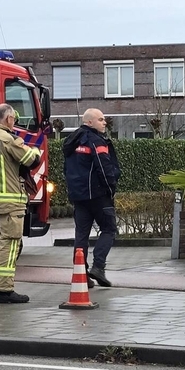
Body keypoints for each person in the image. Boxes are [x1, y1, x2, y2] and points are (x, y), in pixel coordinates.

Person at [0, 103, 41, 304]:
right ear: (9, 119)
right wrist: (36, 150)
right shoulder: (9, 139)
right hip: (10, 202)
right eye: (14, 118)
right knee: (10, 244)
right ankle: (4, 290)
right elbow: (32, 160)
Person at [63, 108, 121, 287]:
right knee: (109, 229)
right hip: (98, 195)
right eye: (100, 119)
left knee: (81, 235)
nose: (104, 123)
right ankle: (98, 267)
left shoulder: (71, 141)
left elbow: (67, 169)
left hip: (78, 196)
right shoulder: (96, 141)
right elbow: (104, 168)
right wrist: (110, 189)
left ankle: (81, 275)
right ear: (89, 122)